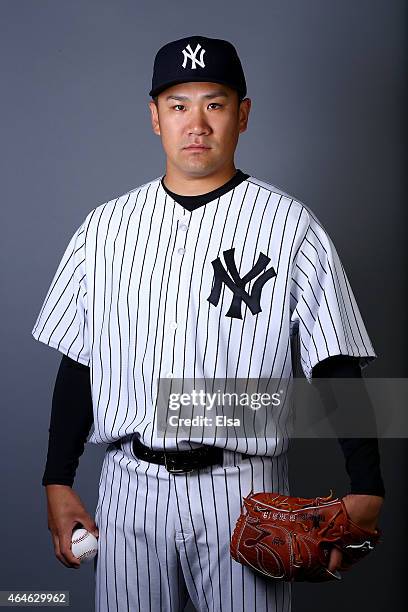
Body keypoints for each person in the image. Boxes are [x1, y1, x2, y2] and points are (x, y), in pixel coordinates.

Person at [32, 35, 384, 612]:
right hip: (128, 488)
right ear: (154, 118)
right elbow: (79, 359)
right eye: (178, 105)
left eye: (214, 104)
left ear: (242, 114)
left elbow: (335, 362)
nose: (196, 122)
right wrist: (57, 479)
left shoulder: (290, 225)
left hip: (244, 491)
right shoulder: (104, 229)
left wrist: (368, 486)